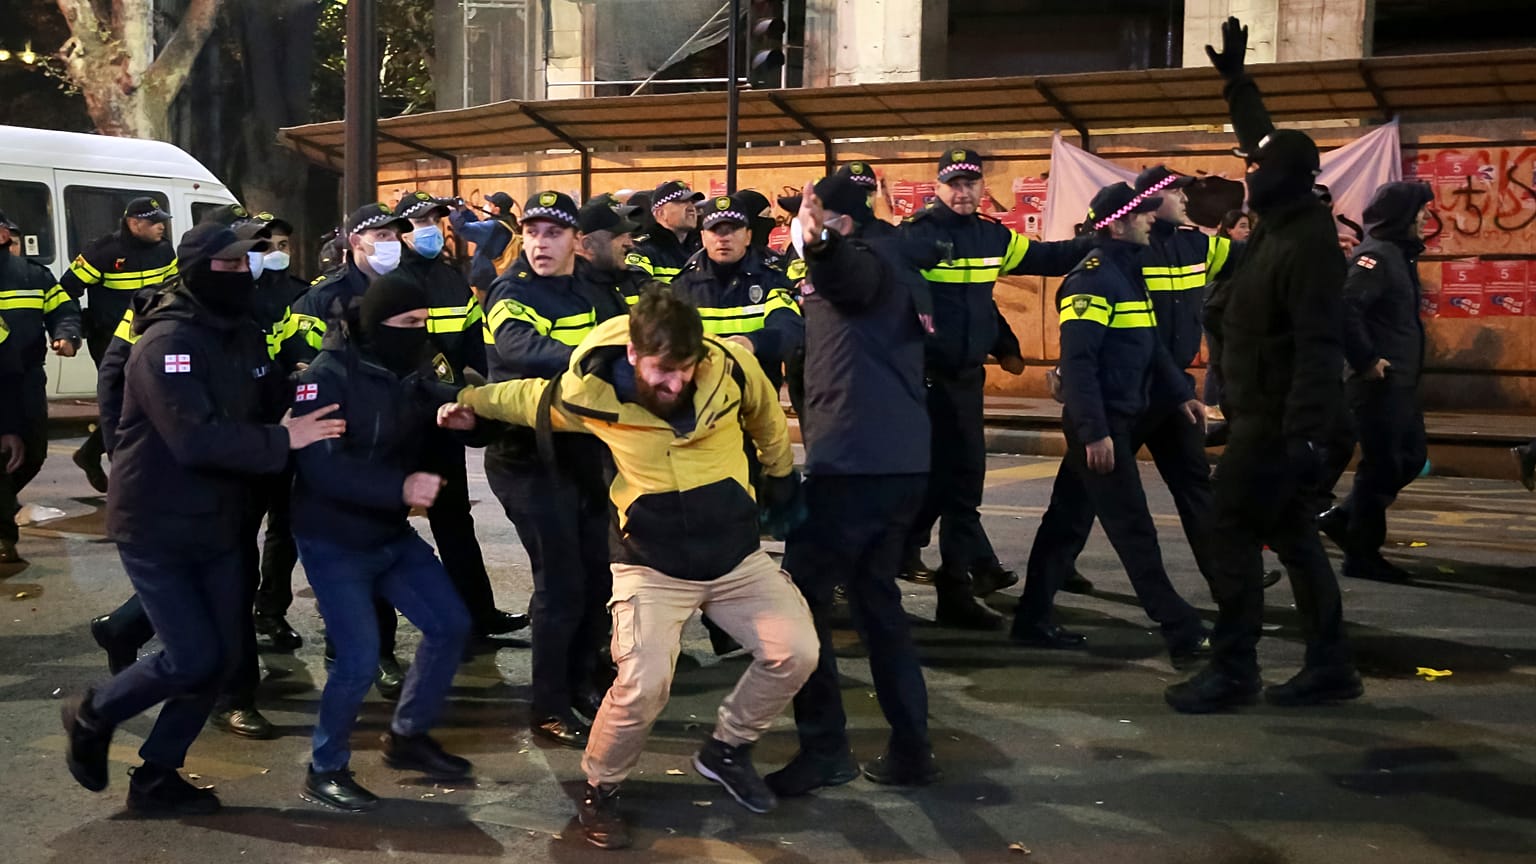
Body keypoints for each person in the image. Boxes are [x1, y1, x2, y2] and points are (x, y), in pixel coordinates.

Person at [440, 288, 819, 850]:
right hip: (651, 564)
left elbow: (765, 412)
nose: (676, 384)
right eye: (663, 370)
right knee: (643, 682)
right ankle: (601, 788)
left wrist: (780, 474)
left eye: (686, 369)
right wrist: (465, 399)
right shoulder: (590, 392)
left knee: (796, 651)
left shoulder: (729, 367)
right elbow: (525, 398)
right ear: (635, 354)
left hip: (734, 556)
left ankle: (727, 749)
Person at [60, 222, 345, 816]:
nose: (244, 274)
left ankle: (156, 777)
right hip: (158, 521)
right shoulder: (169, 342)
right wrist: (282, 439)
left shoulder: (241, 331)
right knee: (192, 656)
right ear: (197, 271)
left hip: (218, 517)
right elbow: (194, 439)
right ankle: (93, 714)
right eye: (230, 265)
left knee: (218, 659)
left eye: (247, 264)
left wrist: (324, 386)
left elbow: (269, 395)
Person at [1166, 16, 1360, 713]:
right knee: (1295, 539)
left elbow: (1319, 345)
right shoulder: (1281, 217)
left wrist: (1305, 436)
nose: (1247, 174)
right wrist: (1237, 84)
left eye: (1258, 171)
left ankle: (1234, 668)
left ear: (1288, 181)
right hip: (1263, 417)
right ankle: (1331, 665)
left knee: (1230, 531)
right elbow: (1264, 141)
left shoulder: (1307, 245)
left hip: (1276, 427)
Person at [1011, 164, 1235, 652]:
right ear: (1116, 224)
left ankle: (1031, 616)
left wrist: (1181, 393)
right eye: (1141, 214)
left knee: (1067, 520)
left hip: (1124, 413)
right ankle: (1180, 628)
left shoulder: (1127, 272)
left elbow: (1151, 346)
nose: (1150, 219)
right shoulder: (1091, 281)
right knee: (1133, 529)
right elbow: (1079, 364)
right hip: (1104, 421)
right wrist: (1095, 432)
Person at [770, 175, 938, 797]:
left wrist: (820, 246)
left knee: (799, 602)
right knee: (877, 605)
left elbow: (848, 277)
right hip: (901, 463)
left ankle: (825, 749)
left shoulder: (860, 260)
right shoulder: (904, 261)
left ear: (839, 221)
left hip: (854, 466)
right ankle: (912, 748)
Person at [290, 271, 474, 812]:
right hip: (333, 538)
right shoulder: (327, 377)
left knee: (450, 624)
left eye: (424, 322)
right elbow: (321, 467)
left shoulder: (408, 368)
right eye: (409, 322)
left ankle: (408, 735)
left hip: (389, 533)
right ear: (378, 323)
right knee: (358, 658)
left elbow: (435, 399)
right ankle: (325, 767)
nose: (420, 332)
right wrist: (400, 488)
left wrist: (459, 414)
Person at [899, 147, 1092, 629]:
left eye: (971, 183)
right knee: (936, 484)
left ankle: (950, 585)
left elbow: (1045, 259)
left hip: (966, 381)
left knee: (957, 487)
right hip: (922, 381)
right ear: (937, 188)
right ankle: (902, 575)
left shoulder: (992, 236)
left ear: (983, 187)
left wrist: (1099, 240)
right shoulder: (916, 236)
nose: (962, 192)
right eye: (953, 184)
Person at [481, 191, 632, 748]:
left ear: (576, 241)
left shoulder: (593, 289)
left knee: (596, 576)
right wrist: (600, 360)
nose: (540, 243)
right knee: (560, 583)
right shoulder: (511, 291)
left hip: (585, 453)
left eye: (553, 233)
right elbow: (522, 349)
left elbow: (626, 336)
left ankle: (584, 681)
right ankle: (548, 705)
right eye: (532, 232)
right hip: (527, 456)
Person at [273, 202, 418, 698]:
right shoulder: (322, 298)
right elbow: (300, 366)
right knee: (343, 547)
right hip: (339, 436)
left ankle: (379, 648)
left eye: (395, 235)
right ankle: (352, 650)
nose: (391, 243)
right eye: (381, 235)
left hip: (391, 434)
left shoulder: (405, 287)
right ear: (354, 241)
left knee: (383, 539)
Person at [396, 190, 529, 639]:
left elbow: (474, 341)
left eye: (435, 221)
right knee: (386, 523)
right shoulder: (391, 279)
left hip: (446, 416)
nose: (431, 230)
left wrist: (487, 391)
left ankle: (477, 615)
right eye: (420, 223)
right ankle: (380, 634)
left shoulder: (450, 277)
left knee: (454, 519)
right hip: (403, 420)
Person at [1316, 182, 1435, 584]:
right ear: (1402, 215)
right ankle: (1362, 554)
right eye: (1419, 210)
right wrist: (1366, 360)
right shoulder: (1377, 257)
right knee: (1382, 465)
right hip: (1378, 383)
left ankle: (1343, 518)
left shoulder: (1398, 256)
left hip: (1401, 382)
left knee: (1410, 457)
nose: (1425, 217)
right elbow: (1346, 309)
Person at [58, 197, 178, 493]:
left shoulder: (164, 251)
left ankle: (90, 454)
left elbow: (173, 288)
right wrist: (73, 328)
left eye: (162, 221)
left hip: (150, 339)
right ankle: (125, 473)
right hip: (111, 341)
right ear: (134, 223)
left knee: (141, 403)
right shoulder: (102, 253)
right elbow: (66, 290)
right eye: (154, 222)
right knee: (123, 401)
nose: (161, 227)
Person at [0, 210, 82, 564]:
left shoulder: (34, 276)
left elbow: (64, 310)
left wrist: (67, 335)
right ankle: (4, 535)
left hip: (27, 379)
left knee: (32, 453)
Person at [671, 195, 804, 393]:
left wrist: (752, 342)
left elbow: (790, 329)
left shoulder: (771, 279)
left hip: (757, 395)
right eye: (715, 230)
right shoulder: (683, 286)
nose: (723, 238)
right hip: (700, 395)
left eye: (732, 230)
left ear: (748, 236)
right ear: (703, 237)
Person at [625, 180, 703, 283]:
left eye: (692, 202)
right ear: (660, 213)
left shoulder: (702, 248)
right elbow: (639, 285)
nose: (691, 208)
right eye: (681, 202)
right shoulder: (642, 248)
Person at [449, 191, 519, 297]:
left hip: (488, 281)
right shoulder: (507, 222)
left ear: (497, 209)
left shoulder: (494, 226)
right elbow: (477, 226)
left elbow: (464, 229)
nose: (486, 206)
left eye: (490, 204)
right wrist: (464, 211)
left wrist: (453, 213)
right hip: (498, 279)